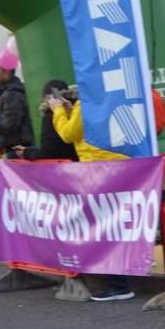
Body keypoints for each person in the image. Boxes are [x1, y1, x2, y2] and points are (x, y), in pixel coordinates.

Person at [50, 87, 135, 301]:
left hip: (99, 170)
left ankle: (119, 285)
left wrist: (58, 111)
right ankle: (121, 281)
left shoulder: (86, 102)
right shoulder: (114, 96)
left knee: (105, 229)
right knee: (117, 226)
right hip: (122, 166)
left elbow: (69, 134)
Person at [18, 79, 78, 162]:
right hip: (86, 164)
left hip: (63, 170)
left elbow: (47, 153)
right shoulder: (78, 111)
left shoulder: (50, 116)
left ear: (47, 97)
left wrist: (27, 152)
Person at [0, 64, 33, 159]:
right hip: (17, 147)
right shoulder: (11, 93)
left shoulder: (12, 95)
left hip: (16, 149)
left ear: (7, 73)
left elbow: (9, 125)